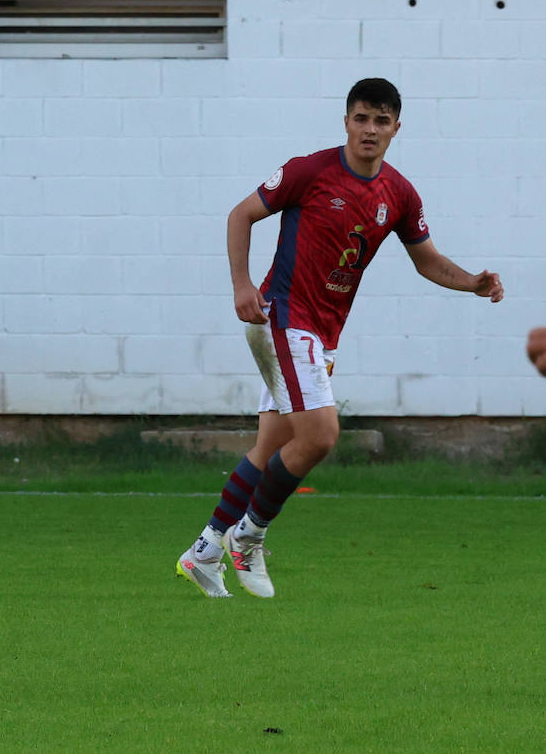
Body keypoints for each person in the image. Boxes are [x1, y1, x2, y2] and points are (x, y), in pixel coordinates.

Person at [176, 78, 503, 600]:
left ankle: (205, 549)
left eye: (381, 120)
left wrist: (472, 283)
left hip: (320, 333)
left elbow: (428, 260)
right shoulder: (310, 170)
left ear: (396, 128)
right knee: (321, 435)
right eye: (361, 118)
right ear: (346, 121)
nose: (369, 129)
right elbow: (241, 215)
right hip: (284, 317)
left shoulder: (398, 192)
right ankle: (249, 537)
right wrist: (241, 285)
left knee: (273, 445)